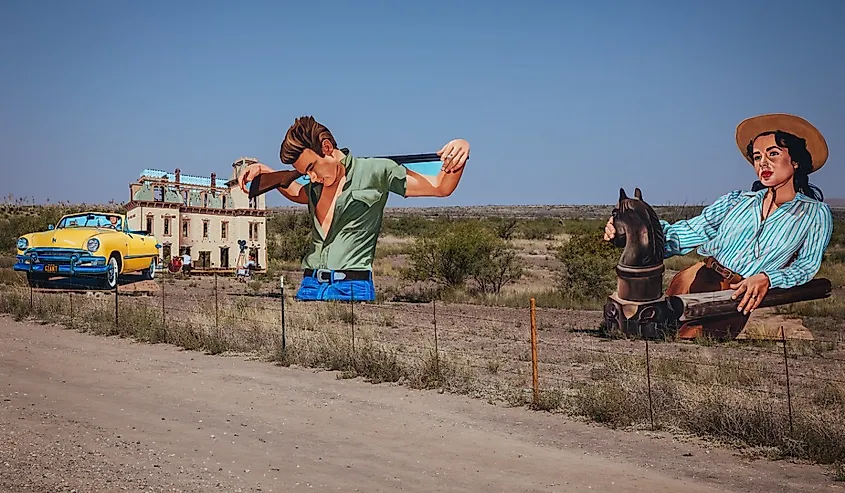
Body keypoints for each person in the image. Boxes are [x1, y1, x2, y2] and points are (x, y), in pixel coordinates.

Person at [603, 113, 833, 317]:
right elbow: (690, 232)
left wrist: (769, 278)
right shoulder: (736, 201)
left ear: (794, 161)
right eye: (757, 157)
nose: (763, 163)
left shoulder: (814, 214)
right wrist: (636, 232)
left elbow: (806, 265)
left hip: (740, 295)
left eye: (773, 154)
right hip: (696, 279)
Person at [238, 115, 471, 302]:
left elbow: (440, 186)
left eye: (311, 167)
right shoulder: (314, 187)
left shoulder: (376, 171)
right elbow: (295, 191)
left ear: (327, 147)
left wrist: (460, 149)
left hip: (352, 288)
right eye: (304, 172)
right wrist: (266, 172)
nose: (311, 176)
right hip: (308, 287)